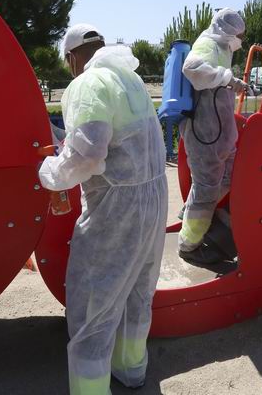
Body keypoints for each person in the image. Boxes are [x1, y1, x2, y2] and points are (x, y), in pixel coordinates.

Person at [38, 24, 168, 395]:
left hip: (116, 207)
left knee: (94, 303)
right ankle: (131, 370)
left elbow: (88, 155)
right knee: (137, 291)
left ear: (70, 57)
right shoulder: (130, 78)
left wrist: (49, 173)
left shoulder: (87, 84)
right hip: (154, 196)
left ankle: (90, 389)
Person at [178, 8, 250, 264]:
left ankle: (191, 211)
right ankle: (189, 245)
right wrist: (228, 79)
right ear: (227, 31)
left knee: (229, 176)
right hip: (205, 133)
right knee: (206, 190)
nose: (241, 40)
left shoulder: (221, 47)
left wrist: (230, 80)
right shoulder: (208, 44)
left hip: (218, 134)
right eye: (239, 35)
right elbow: (192, 69)